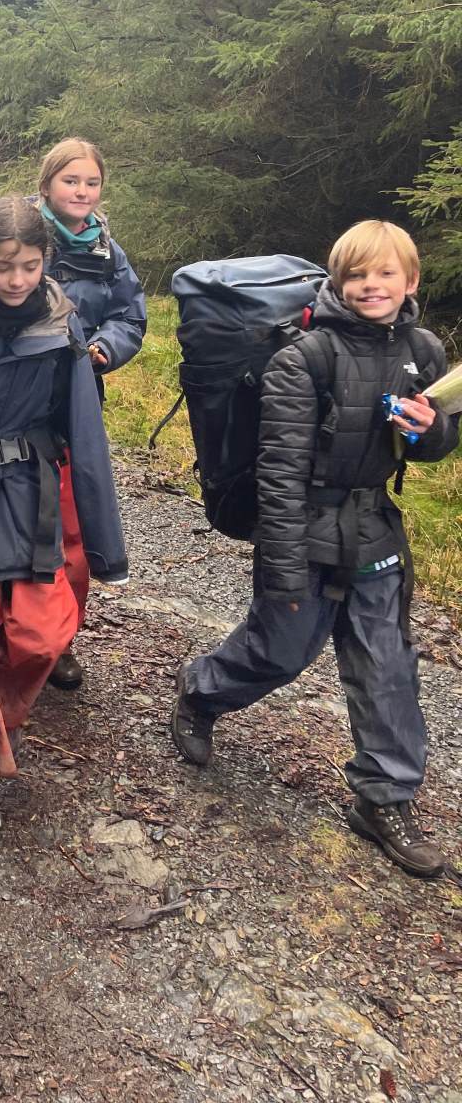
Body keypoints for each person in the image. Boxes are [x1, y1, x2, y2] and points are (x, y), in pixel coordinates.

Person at [172, 220, 458, 879]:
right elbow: (279, 473)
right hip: (303, 528)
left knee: (387, 665)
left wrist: (433, 429)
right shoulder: (303, 359)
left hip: (375, 528)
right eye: (357, 275)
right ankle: (200, 690)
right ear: (337, 281)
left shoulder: (422, 351)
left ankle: (384, 798)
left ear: (410, 281)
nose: (371, 286)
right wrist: (283, 569)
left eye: (385, 274)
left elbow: (435, 447)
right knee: (280, 651)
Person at [0, 197, 127, 841]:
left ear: (46, 261)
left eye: (30, 266)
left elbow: (84, 432)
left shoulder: (62, 326)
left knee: (41, 635)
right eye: (3, 266)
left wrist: (105, 543)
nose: (17, 279)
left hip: (34, 492)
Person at [37, 138, 147, 690]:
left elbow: (131, 316)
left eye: (91, 182)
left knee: (74, 535)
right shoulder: (22, 234)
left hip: (77, 410)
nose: (81, 191)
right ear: (47, 184)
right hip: (12, 405)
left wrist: (105, 346)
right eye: (70, 180)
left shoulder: (108, 251)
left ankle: (60, 640)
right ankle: (13, 633)